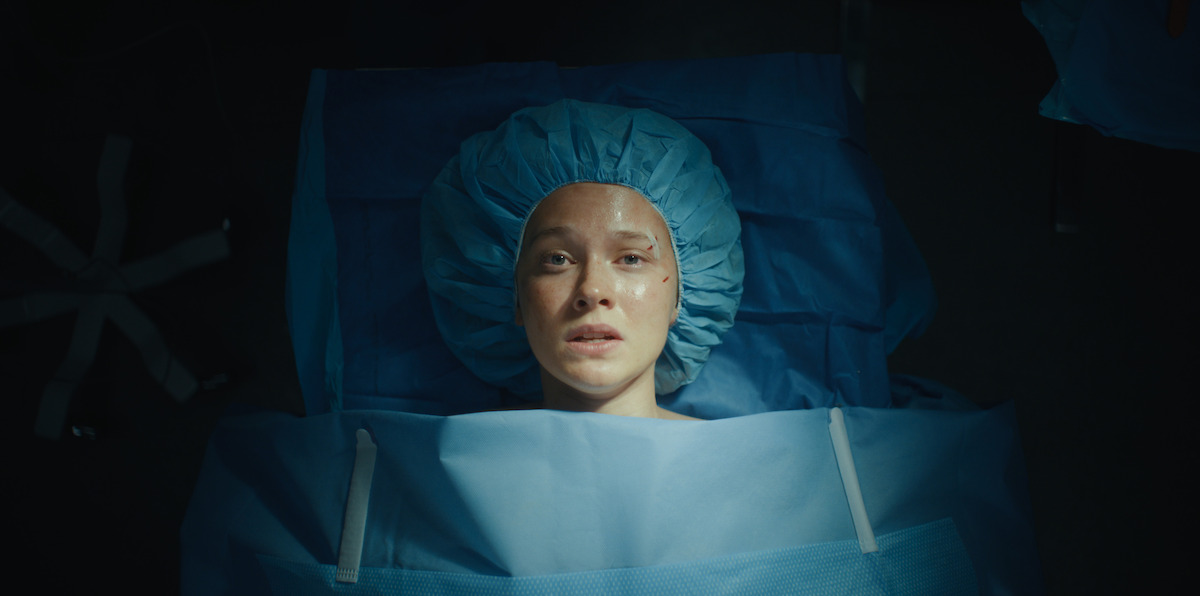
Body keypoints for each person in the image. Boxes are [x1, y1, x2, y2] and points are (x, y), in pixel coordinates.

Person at [421, 99, 744, 419]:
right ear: (515, 296)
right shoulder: (427, 463)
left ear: (679, 298)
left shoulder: (752, 465)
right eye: (557, 259)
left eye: (631, 258)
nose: (591, 291)